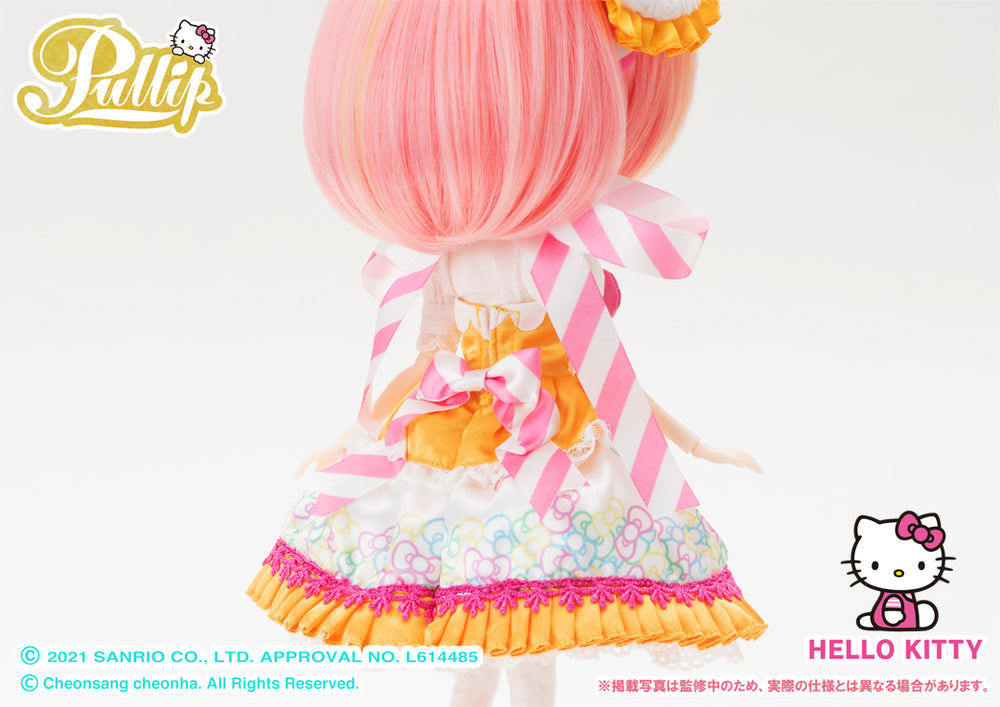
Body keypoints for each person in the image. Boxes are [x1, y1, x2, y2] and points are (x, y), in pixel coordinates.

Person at [248, 1, 765, 704]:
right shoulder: (446, 259)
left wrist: (695, 443)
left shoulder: (560, 257)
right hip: (457, 430)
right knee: (470, 629)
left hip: (550, 433)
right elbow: (428, 360)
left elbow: (607, 375)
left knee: (533, 630)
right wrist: (354, 436)